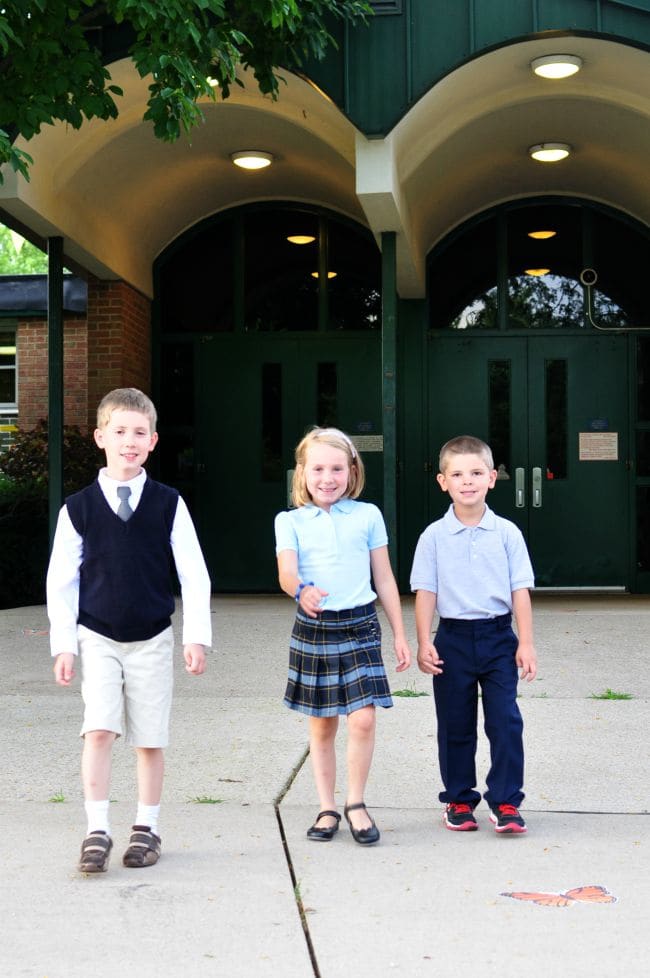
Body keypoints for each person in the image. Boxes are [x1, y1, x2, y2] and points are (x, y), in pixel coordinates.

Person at [47, 387, 212, 873]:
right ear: (101, 437)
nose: (129, 441)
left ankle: (147, 826)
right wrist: (64, 645)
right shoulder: (78, 509)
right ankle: (96, 828)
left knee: (149, 737)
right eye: (119, 432)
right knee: (98, 729)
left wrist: (194, 636)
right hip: (96, 636)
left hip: (153, 638)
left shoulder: (167, 504)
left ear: (154, 440)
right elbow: (61, 580)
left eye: (139, 432)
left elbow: (194, 572)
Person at [275, 427, 411, 846]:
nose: (327, 478)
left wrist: (400, 635)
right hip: (315, 628)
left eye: (336, 468)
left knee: (364, 718)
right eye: (317, 469)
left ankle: (356, 803)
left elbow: (384, 578)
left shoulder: (367, 515)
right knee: (322, 726)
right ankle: (326, 806)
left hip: (360, 625)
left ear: (352, 471)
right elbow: (286, 572)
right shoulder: (290, 520)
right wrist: (302, 590)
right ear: (303, 472)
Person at [410, 435, 537, 834]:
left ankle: (505, 801)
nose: (468, 481)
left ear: (493, 478)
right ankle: (459, 801)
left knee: (505, 721)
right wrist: (424, 641)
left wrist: (527, 642)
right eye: (458, 474)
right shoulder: (433, 536)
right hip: (452, 639)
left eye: (477, 473)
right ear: (442, 481)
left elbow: (520, 591)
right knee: (455, 723)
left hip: (499, 637)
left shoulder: (507, 533)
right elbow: (425, 592)